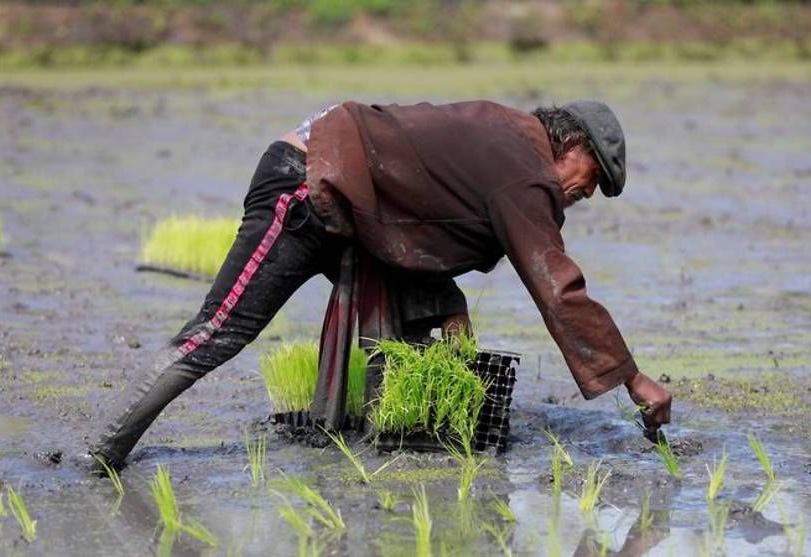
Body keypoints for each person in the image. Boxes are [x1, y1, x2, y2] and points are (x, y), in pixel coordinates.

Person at [86, 99, 673, 470]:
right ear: (570, 147)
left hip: (353, 211)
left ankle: (345, 446)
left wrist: (448, 299)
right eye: (591, 179)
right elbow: (557, 286)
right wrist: (631, 377)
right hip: (307, 184)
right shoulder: (523, 168)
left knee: (402, 336)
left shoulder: (506, 140)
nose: (584, 194)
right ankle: (104, 449)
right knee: (223, 330)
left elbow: (421, 212)